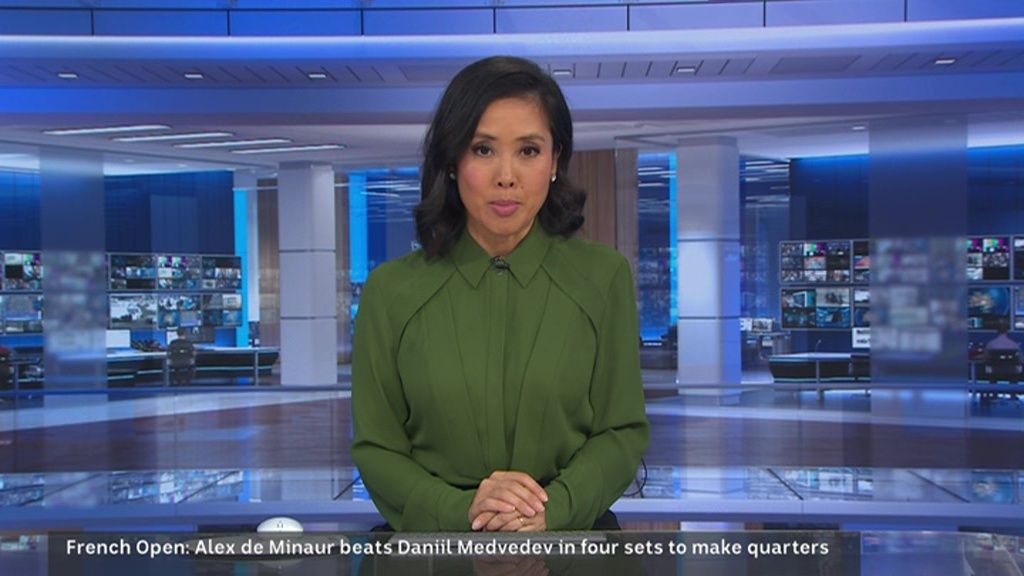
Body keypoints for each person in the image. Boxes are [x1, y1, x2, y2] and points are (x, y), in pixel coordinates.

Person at [351, 56, 650, 532]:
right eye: (483, 149)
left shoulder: (603, 277)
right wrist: (462, 510)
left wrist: (553, 508)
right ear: (452, 161)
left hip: (569, 540)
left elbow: (621, 432)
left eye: (528, 150)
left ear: (555, 160)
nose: (506, 176)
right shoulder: (391, 291)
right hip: (435, 544)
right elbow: (377, 448)